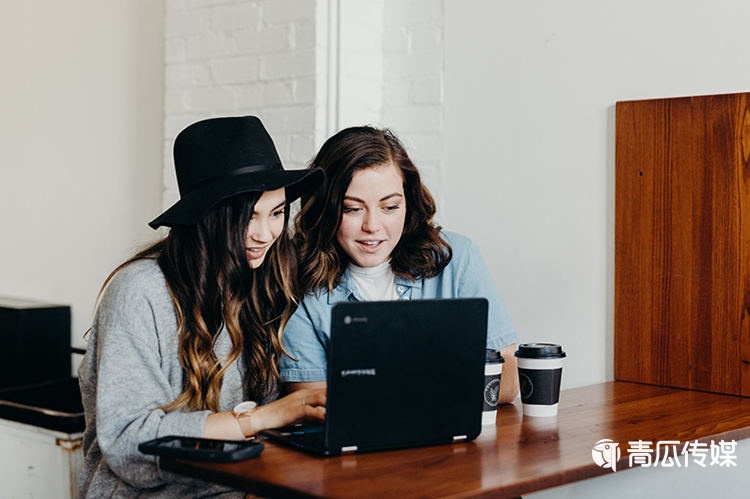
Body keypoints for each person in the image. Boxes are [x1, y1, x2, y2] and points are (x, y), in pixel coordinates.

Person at [77, 116, 326, 498]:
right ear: (207, 216)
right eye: (248, 217)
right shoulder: (140, 291)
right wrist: (260, 418)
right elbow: (128, 441)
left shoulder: (264, 281)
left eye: (276, 213)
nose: (265, 234)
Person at [280, 125, 520, 404]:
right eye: (352, 209)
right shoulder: (298, 281)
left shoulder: (457, 258)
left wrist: (382, 389)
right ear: (326, 209)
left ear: (408, 202)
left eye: (390, 207)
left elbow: (506, 382)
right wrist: (443, 378)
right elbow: (312, 403)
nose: (372, 226)